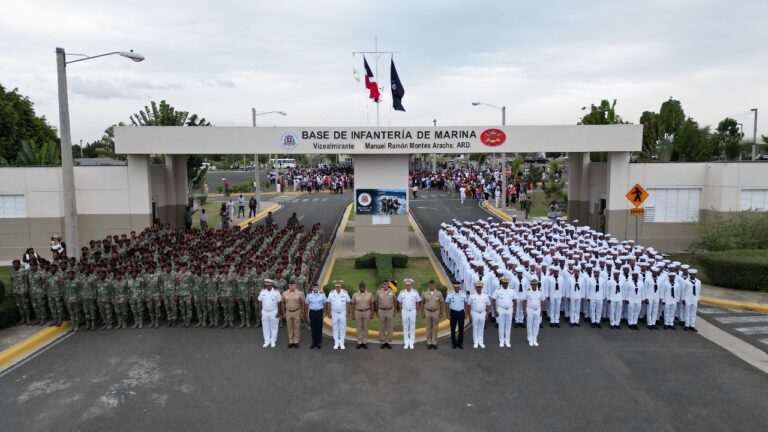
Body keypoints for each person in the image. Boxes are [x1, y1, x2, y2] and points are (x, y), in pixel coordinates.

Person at [258, 279, 282, 348]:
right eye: (267, 285)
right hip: (264, 311)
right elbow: (260, 301)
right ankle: (267, 341)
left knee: (274, 327)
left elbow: (279, 302)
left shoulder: (276, 292)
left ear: (271, 284)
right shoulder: (262, 292)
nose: (268, 286)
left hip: (273, 311)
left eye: (269, 285)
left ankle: (273, 341)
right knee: (265, 327)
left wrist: (279, 312)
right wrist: (260, 311)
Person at [397, 278, 421, 349]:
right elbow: (399, 303)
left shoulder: (415, 293)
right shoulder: (402, 293)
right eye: (407, 285)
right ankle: (406, 342)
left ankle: (411, 342)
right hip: (404, 311)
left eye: (409, 285)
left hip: (413, 311)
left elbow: (417, 302)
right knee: (405, 327)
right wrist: (400, 312)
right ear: (405, 285)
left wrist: (417, 312)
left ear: (411, 285)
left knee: (412, 327)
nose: (408, 286)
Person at [492, 276, 514, 347]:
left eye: (506, 283)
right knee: (501, 325)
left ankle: (507, 340)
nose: (505, 284)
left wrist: (515, 311)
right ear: (501, 283)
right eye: (504, 283)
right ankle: (501, 340)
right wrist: (495, 310)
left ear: (508, 283)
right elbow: (494, 300)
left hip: (509, 309)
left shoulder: (511, 290)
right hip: (501, 309)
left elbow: (515, 300)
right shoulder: (498, 290)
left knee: (508, 326)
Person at [421, 279, 444, 349]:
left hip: (436, 311)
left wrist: (441, 312)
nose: (432, 287)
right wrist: (422, 313)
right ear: (428, 286)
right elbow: (422, 303)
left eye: (433, 285)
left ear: (435, 285)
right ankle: (429, 342)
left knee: (435, 327)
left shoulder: (439, 293)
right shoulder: (424, 293)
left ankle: (434, 342)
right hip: (427, 311)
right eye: (430, 285)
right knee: (428, 327)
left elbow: (441, 303)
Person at [327, 280, 350, 350]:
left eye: (339, 286)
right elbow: (328, 303)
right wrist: (329, 312)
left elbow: (348, 302)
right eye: (336, 286)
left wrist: (348, 312)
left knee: (342, 328)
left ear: (341, 286)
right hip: (334, 313)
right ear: (335, 286)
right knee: (335, 328)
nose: (338, 287)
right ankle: (336, 342)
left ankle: (342, 343)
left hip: (343, 313)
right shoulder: (331, 293)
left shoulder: (345, 293)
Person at [351, 281, 374, 349]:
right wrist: (353, 314)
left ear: (365, 287)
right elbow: (353, 304)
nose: (362, 288)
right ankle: (359, 342)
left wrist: (372, 313)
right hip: (358, 312)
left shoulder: (370, 294)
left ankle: (364, 342)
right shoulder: (355, 295)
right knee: (359, 328)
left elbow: (372, 304)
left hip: (367, 312)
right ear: (359, 287)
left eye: (363, 286)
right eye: (361, 287)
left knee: (365, 328)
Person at [445, 282, 468, 349]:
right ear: (454, 287)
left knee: (461, 328)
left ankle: (460, 343)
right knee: (453, 328)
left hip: (461, 312)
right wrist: (447, 314)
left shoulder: (463, 294)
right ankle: (454, 343)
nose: (457, 288)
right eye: (455, 287)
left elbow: (466, 304)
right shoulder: (450, 294)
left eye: (458, 287)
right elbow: (446, 304)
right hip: (453, 312)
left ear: (459, 287)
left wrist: (466, 313)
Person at [468, 281, 490, 348]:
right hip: (474, 312)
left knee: (481, 327)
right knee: (475, 327)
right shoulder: (472, 295)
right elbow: (469, 305)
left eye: (480, 287)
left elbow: (488, 304)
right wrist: (469, 315)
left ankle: (481, 342)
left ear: (482, 287)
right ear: (475, 287)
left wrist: (487, 314)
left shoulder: (485, 295)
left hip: (483, 313)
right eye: (477, 287)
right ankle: (476, 342)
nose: (479, 288)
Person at [282, 282, 305, 348]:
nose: (291, 286)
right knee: (289, 327)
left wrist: (302, 312)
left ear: (295, 285)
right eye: (290, 285)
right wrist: (283, 312)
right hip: (288, 312)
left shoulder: (300, 293)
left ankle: (296, 341)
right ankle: (291, 341)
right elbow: (283, 303)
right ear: (288, 286)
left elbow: (303, 303)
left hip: (297, 311)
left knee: (296, 326)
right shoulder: (284, 293)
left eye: (293, 285)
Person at [375, 280, 396, 349]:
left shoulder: (392, 292)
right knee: (382, 327)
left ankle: (389, 341)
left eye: (387, 284)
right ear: (382, 285)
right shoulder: (378, 292)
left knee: (390, 327)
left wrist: (395, 311)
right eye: (384, 284)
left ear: (388, 285)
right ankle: (383, 341)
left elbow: (395, 302)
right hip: (381, 310)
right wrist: (376, 311)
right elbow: (376, 302)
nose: (385, 285)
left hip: (390, 310)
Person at [305, 283, 327, 349]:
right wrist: (306, 312)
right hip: (312, 312)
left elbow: (325, 303)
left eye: (316, 287)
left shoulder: (322, 295)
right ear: (312, 288)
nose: (315, 288)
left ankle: (319, 342)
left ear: (318, 288)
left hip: (319, 312)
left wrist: (325, 312)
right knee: (313, 327)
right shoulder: (309, 295)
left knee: (319, 327)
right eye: (314, 287)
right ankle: (314, 342)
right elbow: (306, 304)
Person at [10, 260, 31, 325]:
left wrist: (26, 290)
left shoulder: (23, 271)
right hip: (15, 292)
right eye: (13, 264)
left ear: (19, 264)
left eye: (16, 264)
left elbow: (26, 281)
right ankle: (23, 318)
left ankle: (28, 319)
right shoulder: (12, 272)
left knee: (25, 306)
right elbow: (11, 282)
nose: (14, 265)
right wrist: (12, 290)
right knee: (19, 306)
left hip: (22, 291)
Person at [524, 278, 544, 347]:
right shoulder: (527, 292)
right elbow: (524, 301)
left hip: (537, 309)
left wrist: (541, 311)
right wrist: (524, 311)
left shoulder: (540, 292)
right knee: (529, 324)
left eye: (535, 284)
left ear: (537, 284)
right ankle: (530, 339)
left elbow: (541, 301)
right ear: (531, 284)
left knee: (536, 324)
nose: (534, 285)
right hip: (529, 309)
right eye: (533, 284)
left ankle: (534, 338)